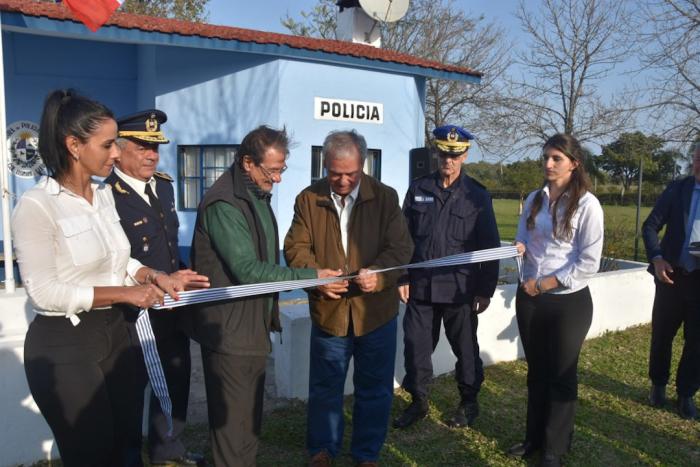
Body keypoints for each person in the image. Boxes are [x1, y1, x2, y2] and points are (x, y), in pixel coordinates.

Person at [12, 89, 202, 466]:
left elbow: (121, 257)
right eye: (108, 144)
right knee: (92, 452)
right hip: (65, 344)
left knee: (125, 442)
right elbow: (45, 292)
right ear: (74, 145)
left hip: (115, 338)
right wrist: (128, 295)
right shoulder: (36, 205)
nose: (117, 153)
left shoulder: (103, 197)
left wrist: (153, 275)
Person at [186, 125, 340, 467]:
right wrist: (311, 276)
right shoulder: (225, 203)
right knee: (233, 428)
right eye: (272, 170)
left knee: (247, 421)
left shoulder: (253, 194)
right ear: (247, 163)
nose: (279, 179)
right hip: (229, 330)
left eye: (281, 169)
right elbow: (249, 271)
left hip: (249, 326)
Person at [284, 130, 414, 467]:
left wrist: (380, 274)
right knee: (326, 387)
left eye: (351, 174)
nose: (342, 181)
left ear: (363, 165)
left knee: (375, 388)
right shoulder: (307, 199)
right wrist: (317, 279)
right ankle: (323, 449)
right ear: (324, 164)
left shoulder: (386, 198)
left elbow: (401, 248)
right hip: (330, 312)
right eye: (334, 173)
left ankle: (366, 453)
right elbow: (295, 249)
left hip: (376, 314)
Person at [105, 109, 208, 466]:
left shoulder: (163, 185)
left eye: (156, 148)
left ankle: (168, 448)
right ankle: (128, 455)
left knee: (176, 376)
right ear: (118, 150)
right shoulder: (107, 197)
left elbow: (166, 244)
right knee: (131, 389)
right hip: (130, 312)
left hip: (170, 305)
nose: (152, 155)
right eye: (142, 147)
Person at [393, 125, 500, 430]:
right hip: (421, 288)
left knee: (465, 349)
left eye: (454, 155)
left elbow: (489, 246)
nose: (448, 160)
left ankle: (468, 401)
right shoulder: (418, 189)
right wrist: (402, 277)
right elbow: (403, 239)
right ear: (436, 153)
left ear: (465, 155)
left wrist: (485, 290)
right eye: (443, 154)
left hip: (460, 289)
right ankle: (419, 401)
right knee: (416, 347)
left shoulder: (477, 196)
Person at [509, 134, 603, 467]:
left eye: (556, 158)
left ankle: (554, 448)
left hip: (568, 302)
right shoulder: (535, 198)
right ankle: (534, 438)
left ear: (574, 164)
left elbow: (588, 261)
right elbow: (522, 237)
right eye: (546, 157)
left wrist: (544, 284)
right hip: (531, 299)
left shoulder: (588, 204)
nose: (548, 164)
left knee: (561, 374)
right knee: (536, 371)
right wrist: (519, 249)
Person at [641, 142, 700, 420]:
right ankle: (658, 384)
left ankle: (686, 393)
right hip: (671, 277)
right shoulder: (678, 189)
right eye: (698, 158)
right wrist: (657, 258)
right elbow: (650, 225)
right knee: (662, 335)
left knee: (697, 341)